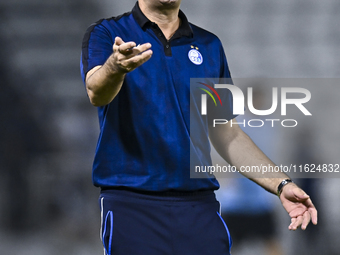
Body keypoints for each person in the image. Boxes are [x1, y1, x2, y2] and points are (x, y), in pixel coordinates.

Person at [80, 1, 317, 254]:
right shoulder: (106, 33)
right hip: (133, 204)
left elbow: (228, 134)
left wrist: (282, 184)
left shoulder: (210, 46)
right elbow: (96, 92)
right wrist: (115, 68)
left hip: (198, 206)